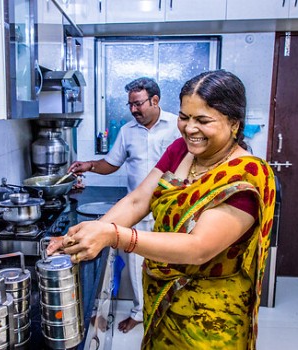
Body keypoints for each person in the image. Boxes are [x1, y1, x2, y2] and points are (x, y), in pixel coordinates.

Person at [50, 70, 276, 349]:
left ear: (233, 123)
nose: (189, 128)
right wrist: (91, 231)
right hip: (162, 299)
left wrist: (114, 236)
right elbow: (137, 201)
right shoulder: (181, 150)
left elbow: (198, 248)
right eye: (184, 117)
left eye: (203, 120)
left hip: (210, 315)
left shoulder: (245, 175)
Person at [68, 77, 180, 333]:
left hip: (170, 210)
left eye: (138, 104)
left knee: (171, 262)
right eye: (130, 105)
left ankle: (169, 310)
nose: (133, 110)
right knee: (136, 265)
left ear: (155, 100)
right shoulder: (129, 131)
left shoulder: (177, 126)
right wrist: (89, 165)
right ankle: (140, 312)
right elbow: (112, 163)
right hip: (137, 211)